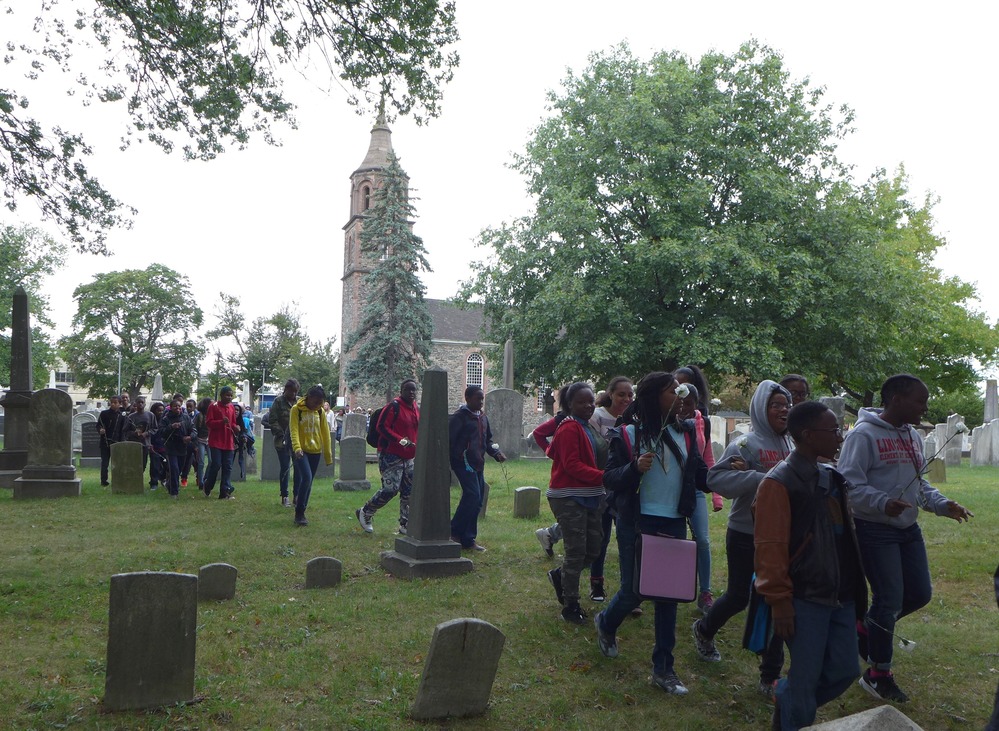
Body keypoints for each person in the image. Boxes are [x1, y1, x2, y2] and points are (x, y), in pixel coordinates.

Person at [838, 374, 973, 703]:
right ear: (896, 399)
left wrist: (942, 505)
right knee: (889, 600)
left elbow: (919, 484)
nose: (925, 407)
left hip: (907, 529)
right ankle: (877, 674)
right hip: (874, 529)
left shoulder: (912, 435)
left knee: (919, 594)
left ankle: (866, 627)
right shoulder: (863, 435)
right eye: (919, 400)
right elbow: (848, 485)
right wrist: (882, 502)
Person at [753, 401, 867, 730]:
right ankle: (792, 712)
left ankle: (786, 698)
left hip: (840, 593)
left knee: (845, 669)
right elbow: (770, 548)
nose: (839, 437)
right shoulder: (778, 483)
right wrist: (780, 601)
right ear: (807, 435)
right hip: (804, 597)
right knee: (805, 682)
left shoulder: (831, 477)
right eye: (833, 431)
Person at [593, 372, 708, 695]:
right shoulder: (628, 435)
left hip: (672, 522)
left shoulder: (685, 435)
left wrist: (732, 475)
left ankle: (664, 669)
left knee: (668, 596)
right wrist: (634, 468)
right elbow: (610, 479)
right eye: (673, 391)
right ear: (655, 397)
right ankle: (606, 622)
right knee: (633, 591)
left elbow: (700, 477)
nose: (680, 397)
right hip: (637, 522)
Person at [693, 379, 793, 698]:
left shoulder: (792, 445)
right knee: (739, 596)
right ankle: (704, 629)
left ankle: (770, 674)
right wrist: (758, 477)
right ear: (762, 408)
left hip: (780, 537)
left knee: (775, 598)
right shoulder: (745, 445)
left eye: (786, 404)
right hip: (745, 533)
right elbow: (715, 478)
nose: (783, 410)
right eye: (776, 404)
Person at [545, 382, 607, 625]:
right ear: (570, 404)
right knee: (576, 551)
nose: (588, 405)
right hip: (568, 496)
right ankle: (570, 605)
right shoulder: (570, 427)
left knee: (593, 548)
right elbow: (571, 465)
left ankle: (561, 576)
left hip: (591, 494)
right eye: (582, 402)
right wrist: (604, 477)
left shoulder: (586, 426)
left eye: (591, 401)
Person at [674, 365, 723, 613]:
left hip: (693, 488)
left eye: (688, 399)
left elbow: (707, 457)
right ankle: (673, 587)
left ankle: (705, 592)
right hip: (669, 490)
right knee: (675, 540)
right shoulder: (663, 421)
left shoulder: (700, 421)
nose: (682, 403)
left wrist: (716, 494)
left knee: (702, 540)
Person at [356, 379, 420, 534]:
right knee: (391, 489)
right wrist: (400, 440)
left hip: (410, 455)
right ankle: (366, 511)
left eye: (414, 390)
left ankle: (405, 524)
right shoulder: (393, 406)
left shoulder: (415, 407)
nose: (411, 393)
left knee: (409, 491)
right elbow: (381, 427)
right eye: (408, 390)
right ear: (401, 390)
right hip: (391, 454)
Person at [449, 385, 506, 551]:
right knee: (472, 495)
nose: (481, 402)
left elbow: (488, 441)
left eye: (482, 399)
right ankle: (454, 531)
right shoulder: (460, 417)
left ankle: (468, 539)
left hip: (478, 462)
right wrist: (458, 456)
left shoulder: (482, 417)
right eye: (478, 398)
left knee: (478, 500)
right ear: (467, 399)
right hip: (463, 463)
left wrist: (496, 453)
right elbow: (450, 440)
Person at [289, 385, 333, 526]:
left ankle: (303, 508)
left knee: (309, 482)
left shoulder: (320, 412)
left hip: (315, 451)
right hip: (301, 451)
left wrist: (328, 455)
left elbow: (325, 434)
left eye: (320, 403)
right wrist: (297, 448)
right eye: (315, 402)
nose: (318, 405)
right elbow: (293, 430)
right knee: (306, 477)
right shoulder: (296, 410)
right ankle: (299, 512)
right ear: (308, 398)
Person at [203, 386, 238, 500]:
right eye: (227, 395)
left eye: (231, 395)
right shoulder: (213, 407)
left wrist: (236, 427)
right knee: (216, 464)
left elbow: (232, 423)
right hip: (216, 441)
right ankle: (208, 486)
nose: (229, 397)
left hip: (228, 441)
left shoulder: (231, 407)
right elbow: (209, 423)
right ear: (221, 395)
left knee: (227, 467)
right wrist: (221, 422)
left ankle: (224, 492)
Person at [157, 398, 196, 499]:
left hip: (183, 448)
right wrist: (171, 427)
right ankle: (174, 492)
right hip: (171, 447)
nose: (177, 408)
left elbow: (193, 429)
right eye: (175, 406)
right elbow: (161, 432)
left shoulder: (186, 418)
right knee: (174, 468)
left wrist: (190, 437)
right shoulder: (166, 419)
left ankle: (169, 484)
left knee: (179, 469)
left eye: (179, 406)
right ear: (171, 407)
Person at [269, 379, 299, 507]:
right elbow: (272, 420)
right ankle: (284, 495)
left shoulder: (299, 402)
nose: (293, 394)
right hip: (282, 440)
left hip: (297, 440)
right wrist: (281, 433)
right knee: (285, 468)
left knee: (298, 469)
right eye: (291, 391)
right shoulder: (278, 402)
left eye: (295, 392)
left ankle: (297, 495)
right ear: (286, 389)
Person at [97, 395, 124, 486]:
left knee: (117, 463)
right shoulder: (104, 413)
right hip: (105, 442)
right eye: (111, 402)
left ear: (120, 404)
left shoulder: (122, 415)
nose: (112, 404)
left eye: (115, 403)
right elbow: (98, 425)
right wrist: (100, 430)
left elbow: (123, 429)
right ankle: (104, 481)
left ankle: (117, 480)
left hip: (117, 442)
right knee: (104, 463)